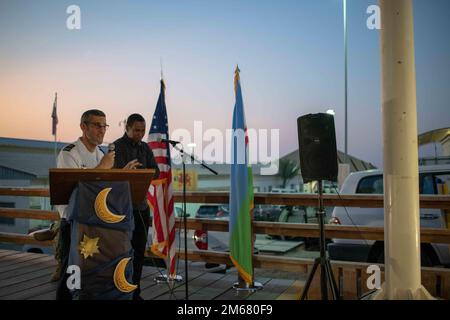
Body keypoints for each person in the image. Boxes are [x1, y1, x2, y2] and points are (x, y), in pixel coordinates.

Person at [113, 113, 159, 300]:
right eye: (136, 130)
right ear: (127, 128)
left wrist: (140, 172)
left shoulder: (145, 148)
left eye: (143, 130)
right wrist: (126, 171)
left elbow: (155, 173)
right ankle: (120, 291)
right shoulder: (116, 147)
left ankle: (135, 292)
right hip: (120, 208)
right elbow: (111, 176)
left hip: (141, 207)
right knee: (122, 252)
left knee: (139, 252)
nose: (140, 134)